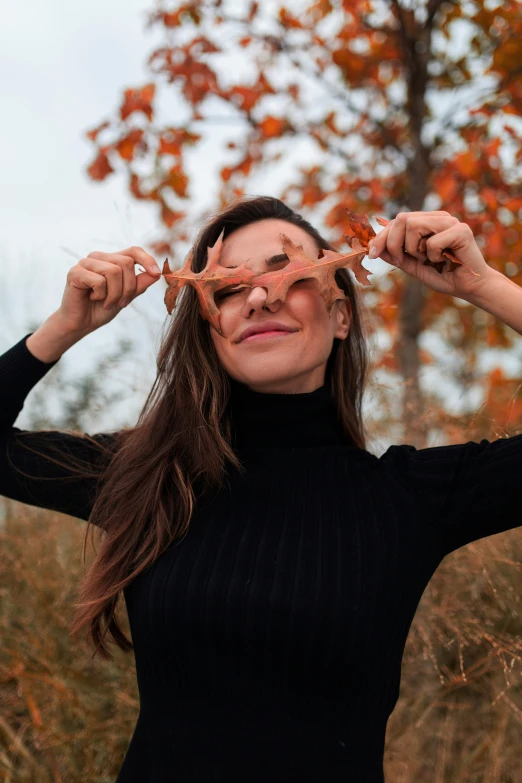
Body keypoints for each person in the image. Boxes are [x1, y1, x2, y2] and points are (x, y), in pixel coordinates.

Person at [1, 195, 521, 782]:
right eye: (225, 287)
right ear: (210, 326)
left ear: (342, 315)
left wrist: (483, 285)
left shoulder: (411, 496)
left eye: (289, 271)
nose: (258, 295)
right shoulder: (145, 476)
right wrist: (62, 329)